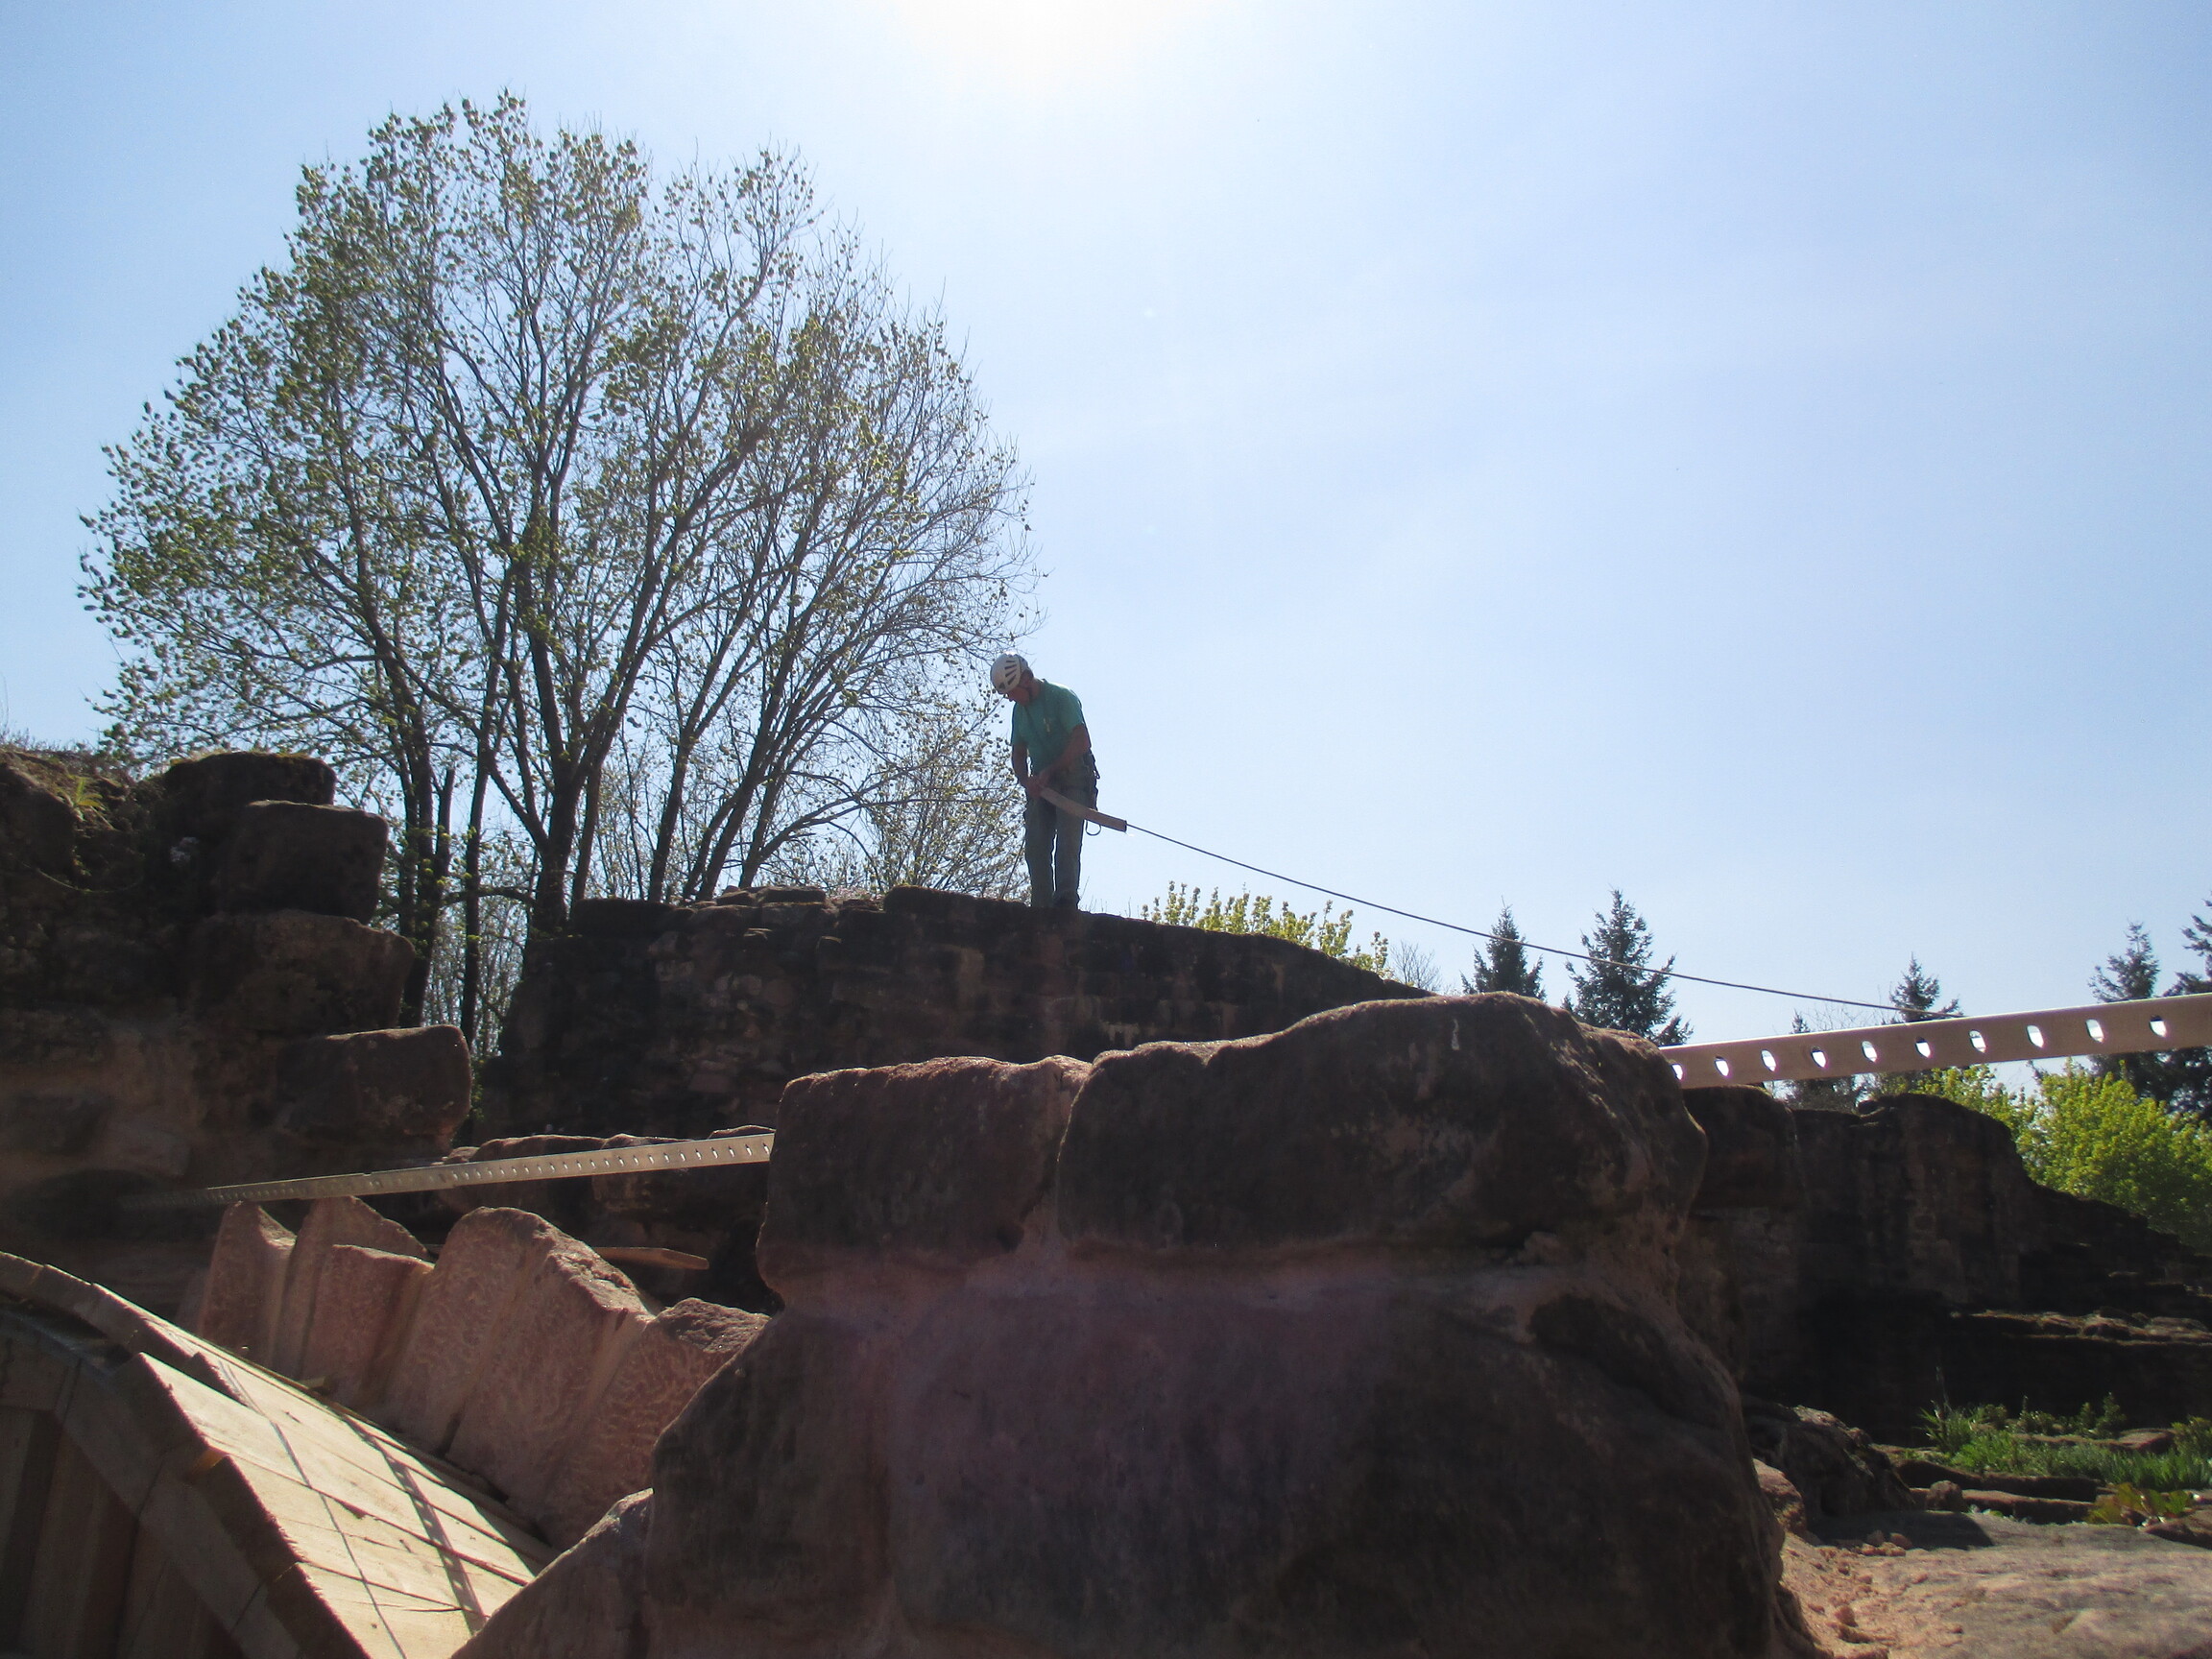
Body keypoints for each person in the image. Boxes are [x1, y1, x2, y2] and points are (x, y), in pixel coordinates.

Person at [992, 652, 1097, 909]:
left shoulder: (1061, 697)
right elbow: (1018, 753)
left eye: (1013, 691)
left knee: (1067, 844)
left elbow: (1082, 741)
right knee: (1036, 845)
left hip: (1073, 778)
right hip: (1042, 784)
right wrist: (1025, 780)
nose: (1010, 698)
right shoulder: (1019, 712)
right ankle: (1041, 906)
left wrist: (1052, 769)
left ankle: (1065, 904)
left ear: (1027, 679)